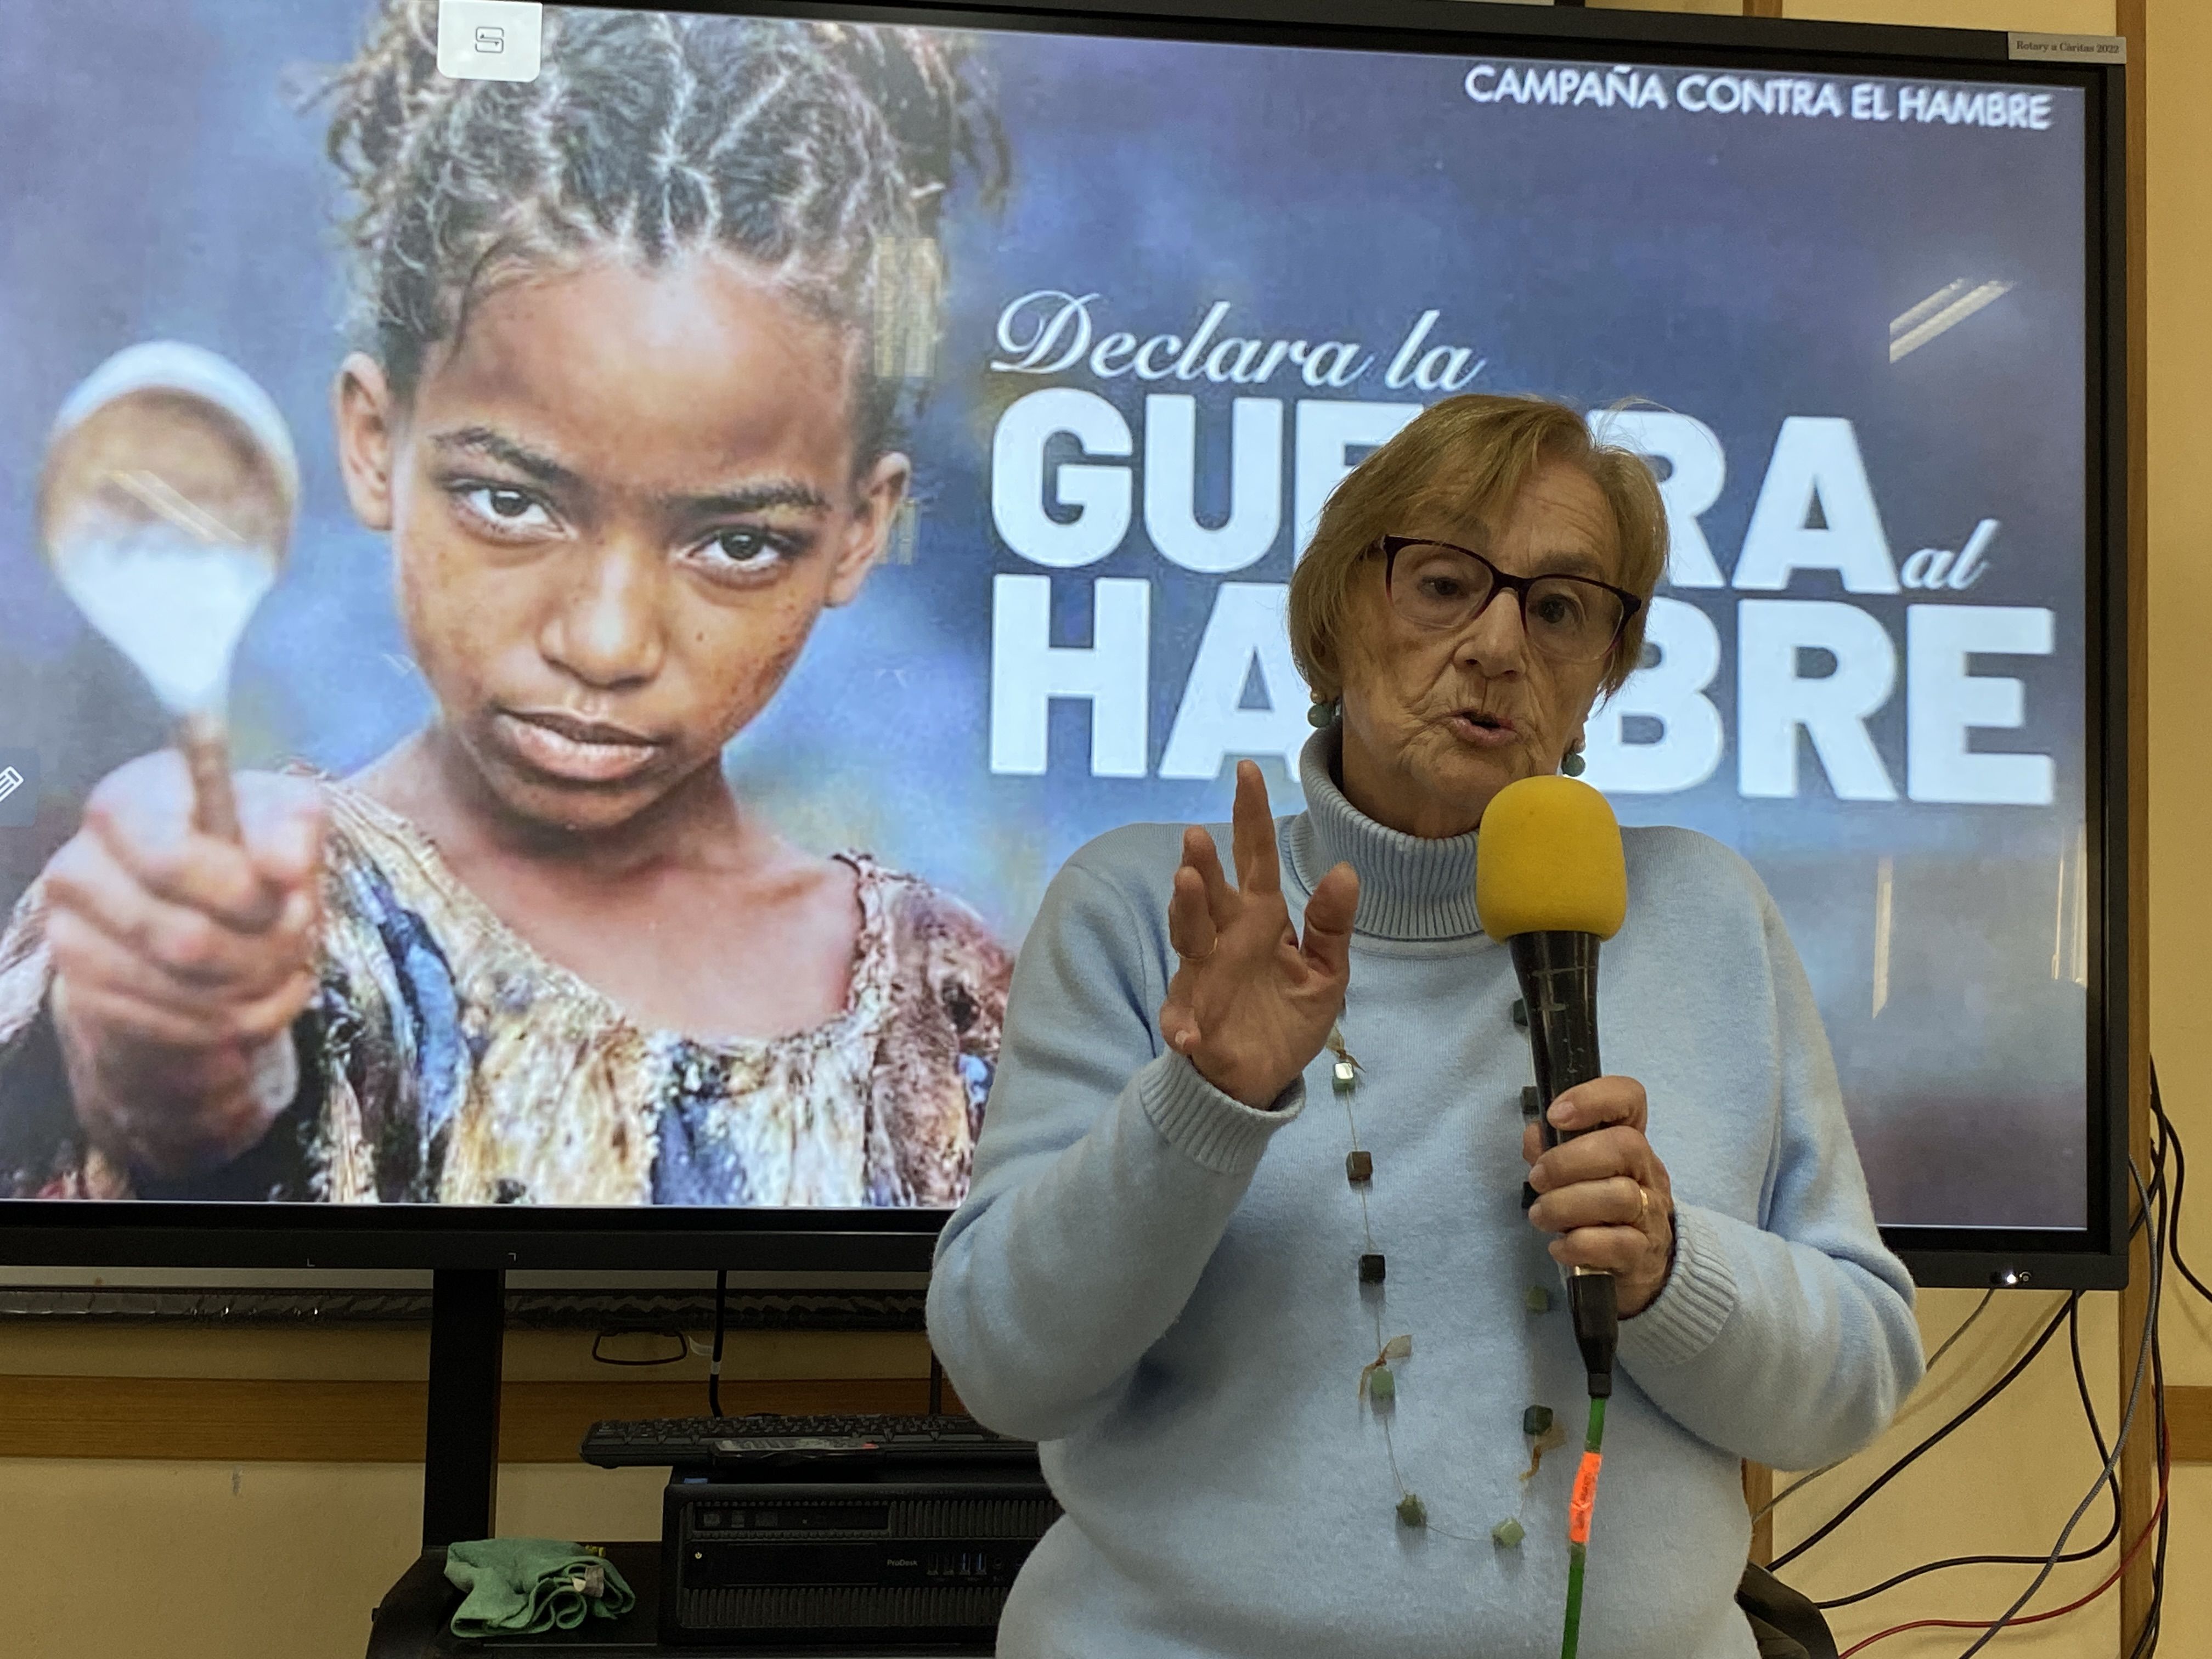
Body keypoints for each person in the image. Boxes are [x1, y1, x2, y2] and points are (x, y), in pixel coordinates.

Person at [927, 394, 1923, 1658]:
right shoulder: (1148, 910)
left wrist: (1672, 1268)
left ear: (1604, 672)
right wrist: (1204, 1102)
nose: (1501, 644)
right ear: (1340, 614)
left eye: (1560, 609)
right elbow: (1008, 1373)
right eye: (1445, 584)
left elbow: (1859, 1378)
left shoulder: (1708, 915)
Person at [0, 4, 1011, 1206]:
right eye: (513, 504)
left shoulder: (945, 1006)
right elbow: (166, 1108)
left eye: (737, 541)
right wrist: (168, 1079)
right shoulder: (247, 910)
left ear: (860, 529)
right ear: (376, 444)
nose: (604, 641)